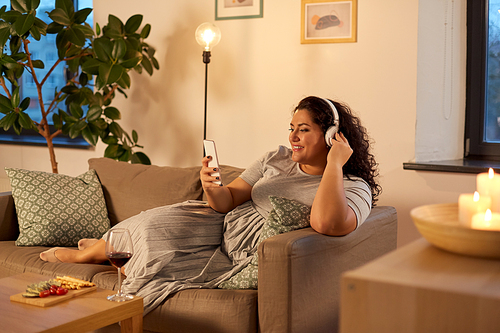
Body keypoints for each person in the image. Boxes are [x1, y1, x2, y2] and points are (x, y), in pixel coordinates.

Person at [40, 96, 380, 315]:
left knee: (150, 262)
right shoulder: (274, 157)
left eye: (303, 130)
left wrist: (334, 164)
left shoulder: (353, 186)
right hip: (218, 222)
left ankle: (94, 251)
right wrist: (211, 183)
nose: (292, 136)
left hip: (243, 250)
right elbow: (226, 201)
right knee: (149, 225)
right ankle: (88, 253)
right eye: (291, 128)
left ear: (333, 133)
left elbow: (328, 224)